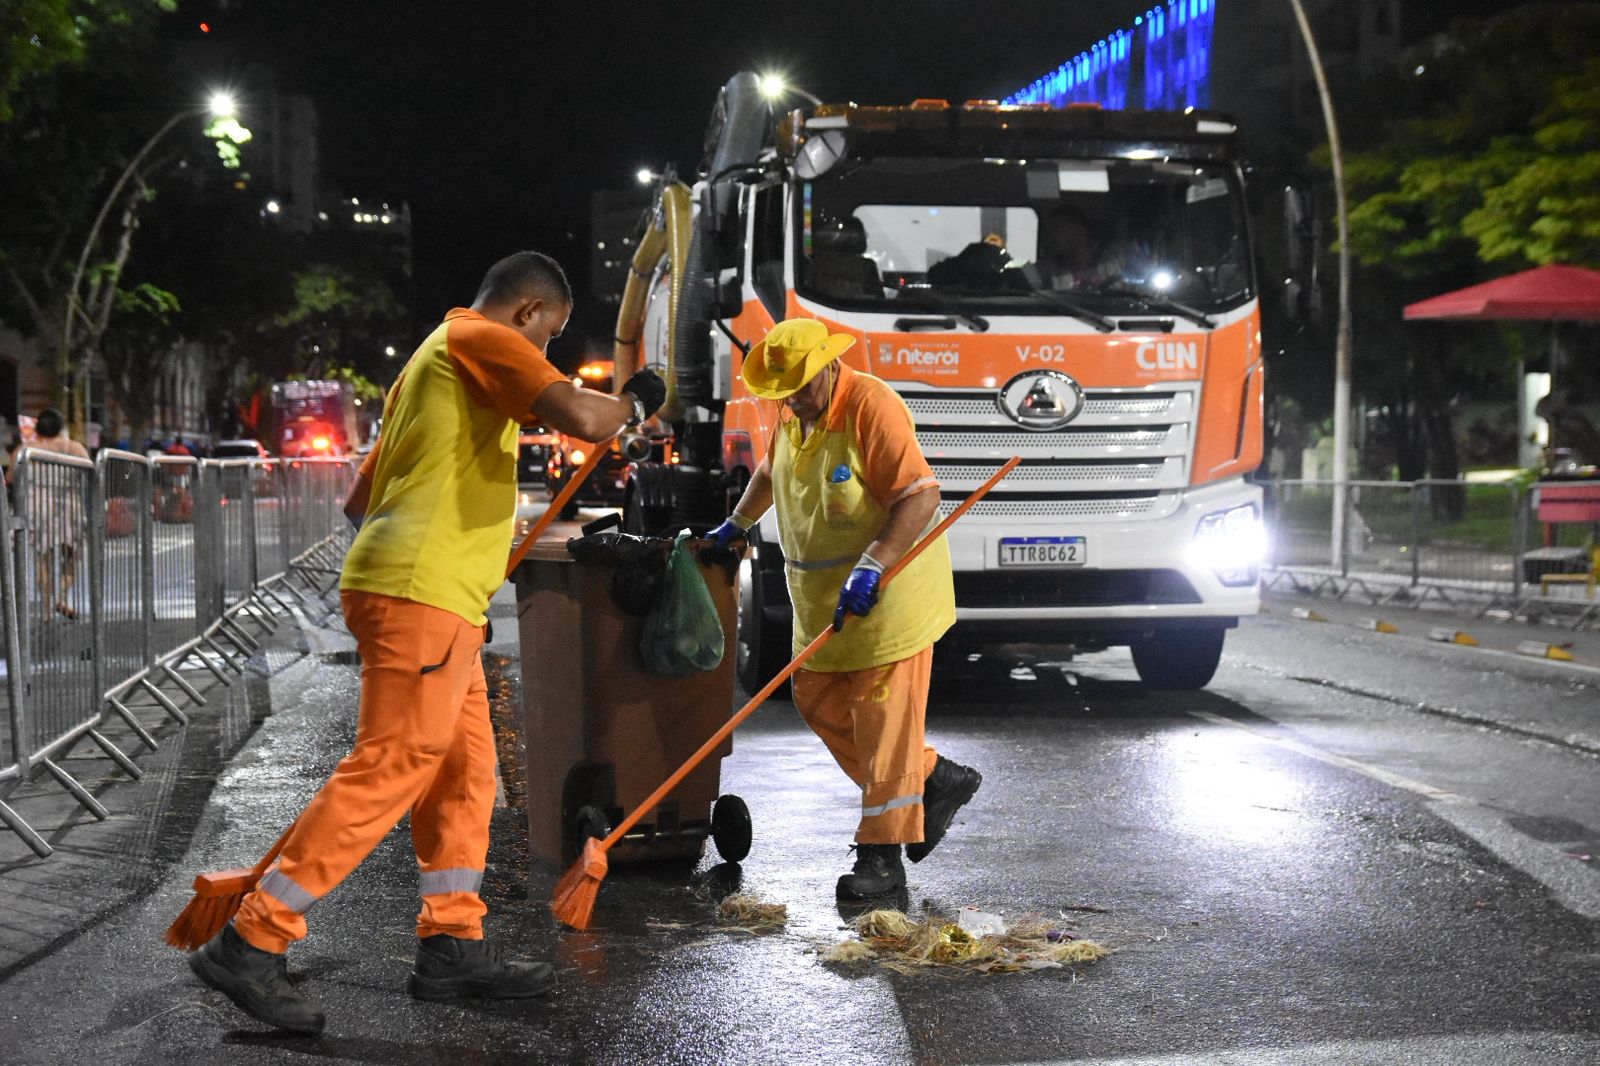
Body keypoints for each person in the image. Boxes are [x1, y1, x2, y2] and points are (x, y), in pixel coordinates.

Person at [188, 251, 667, 1035]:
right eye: (549, 335)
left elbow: (359, 500)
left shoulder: (428, 367)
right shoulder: (482, 336)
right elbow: (585, 418)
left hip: (432, 596)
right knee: (393, 764)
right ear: (527, 312)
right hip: (422, 594)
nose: (543, 351)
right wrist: (636, 399)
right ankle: (253, 938)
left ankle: (452, 944)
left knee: (465, 775)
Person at [707, 318, 982, 901]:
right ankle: (933, 778)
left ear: (830, 365)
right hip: (821, 602)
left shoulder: (870, 405)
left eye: (803, 386)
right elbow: (771, 472)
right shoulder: (793, 413)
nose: (794, 400)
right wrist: (737, 523)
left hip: (888, 596)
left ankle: (881, 857)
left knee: (882, 724)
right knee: (815, 697)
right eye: (785, 391)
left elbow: (919, 495)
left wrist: (874, 564)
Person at [25, 408, 90, 620]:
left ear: (37, 428)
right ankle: (60, 597)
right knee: (71, 556)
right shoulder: (74, 448)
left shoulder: (27, 450)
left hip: (38, 506)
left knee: (42, 559)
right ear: (62, 427)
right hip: (68, 505)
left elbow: (10, 477)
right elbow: (91, 473)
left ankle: (45, 611)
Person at [1028, 202, 1126, 290]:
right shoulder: (1050, 266)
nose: (1051, 237)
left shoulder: (1111, 260)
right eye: (1049, 232)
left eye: (1057, 230)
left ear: (1079, 231)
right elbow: (1028, 280)